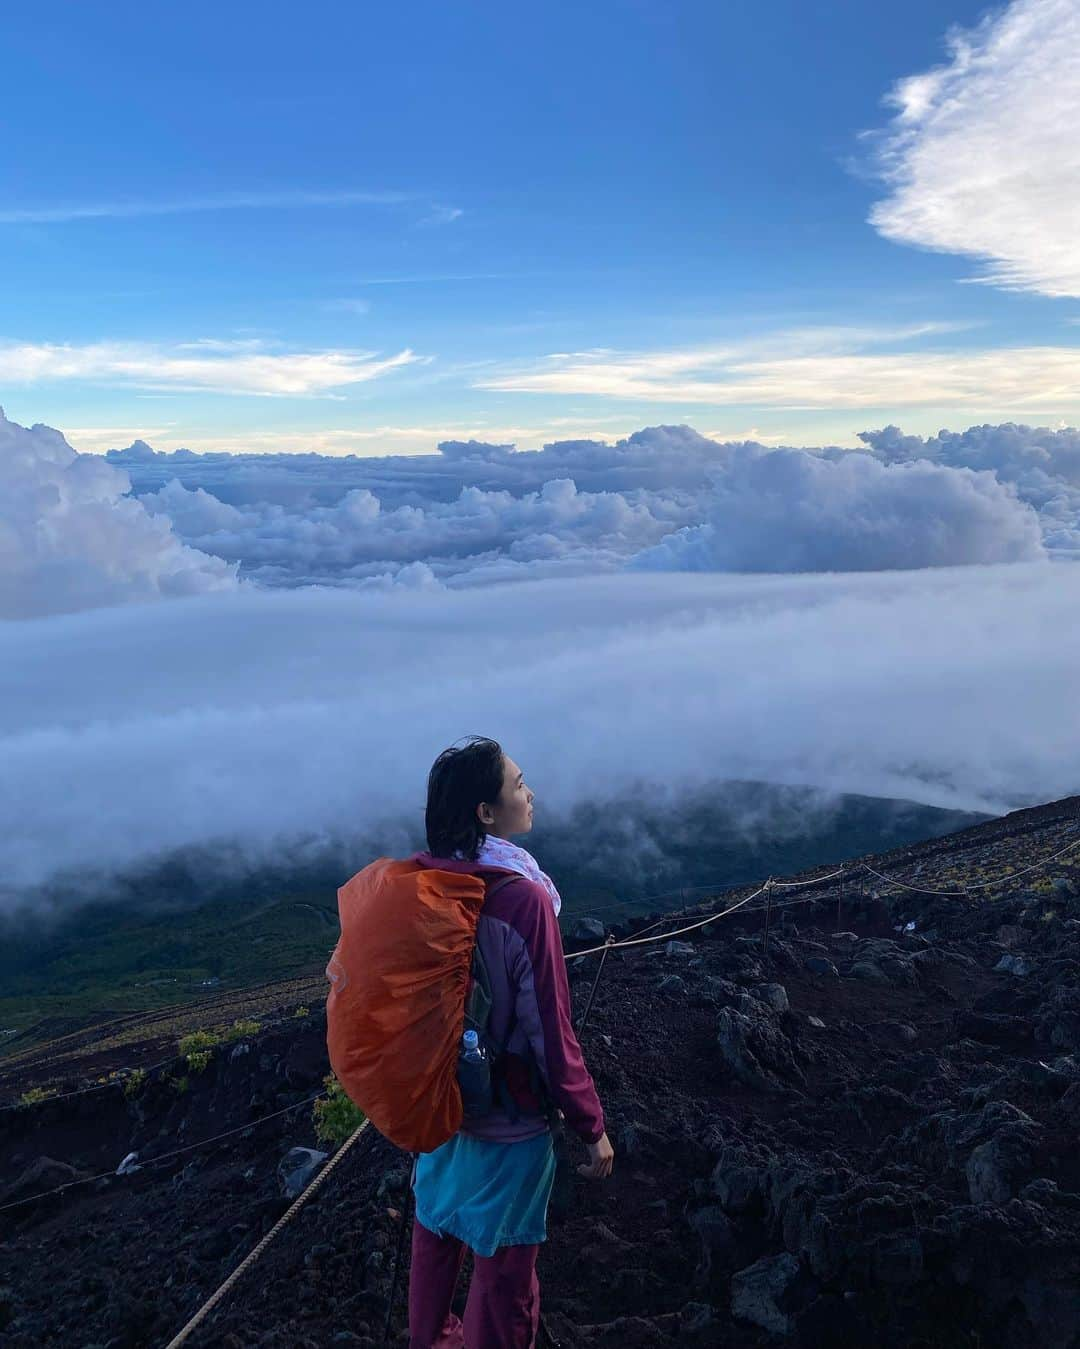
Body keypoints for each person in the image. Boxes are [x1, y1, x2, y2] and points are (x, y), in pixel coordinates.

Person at [407, 735, 614, 1349]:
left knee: (436, 1238)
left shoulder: (426, 883)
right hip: (511, 1118)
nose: (531, 794)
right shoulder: (522, 900)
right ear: (486, 813)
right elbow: (549, 1029)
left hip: (439, 1109)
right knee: (504, 1277)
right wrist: (590, 1124)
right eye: (519, 784)